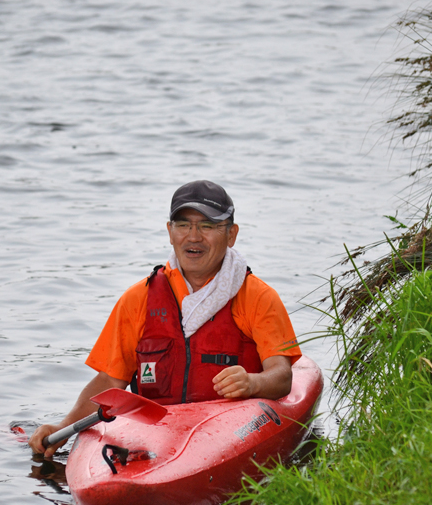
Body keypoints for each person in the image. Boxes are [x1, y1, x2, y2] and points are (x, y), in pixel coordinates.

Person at [29, 180, 301, 456]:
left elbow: (282, 377)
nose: (193, 236)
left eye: (207, 226)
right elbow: (110, 382)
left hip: (230, 434)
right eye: (183, 225)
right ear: (170, 232)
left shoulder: (258, 296)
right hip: (157, 437)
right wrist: (63, 426)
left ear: (231, 235)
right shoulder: (139, 298)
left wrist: (253, 383)